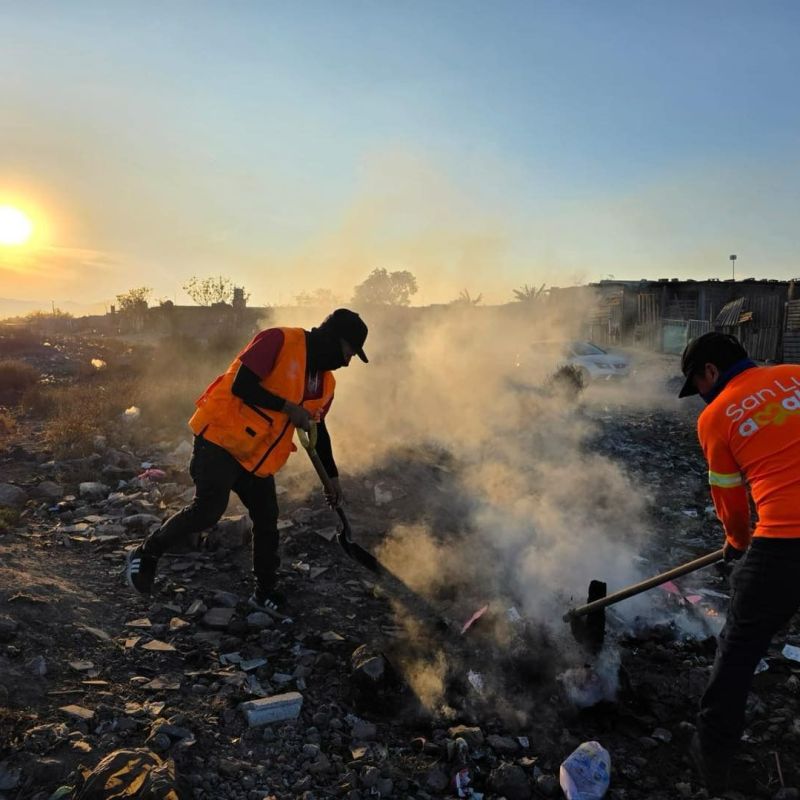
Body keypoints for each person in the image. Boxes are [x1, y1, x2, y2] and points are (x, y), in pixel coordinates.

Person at [125, 308, 368, 616]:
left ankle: (265, 592)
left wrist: (332, 477)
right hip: (220, 442)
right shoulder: (279, 340)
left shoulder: (326, 384)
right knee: (208, 510)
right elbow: (243, 385)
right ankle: (146, 553)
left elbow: (318, 429)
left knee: (267, 518)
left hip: (256, 458)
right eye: (348, 352)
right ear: (334, 339)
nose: (347, 362)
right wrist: (288, 407)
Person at [678, 332, 800, 792]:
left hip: (784, 544)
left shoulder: (715, 417)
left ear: (710, 371)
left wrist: (737, 543)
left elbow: (730, 502)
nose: (700, 397)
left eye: (697, 384)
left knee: (737, 652)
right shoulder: (795, 376)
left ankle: (711, 759)